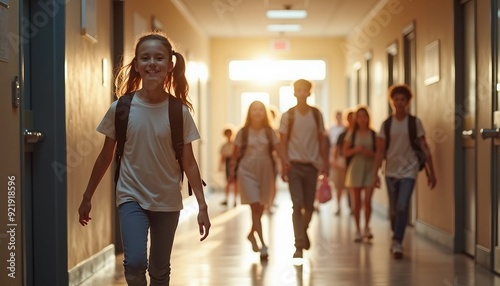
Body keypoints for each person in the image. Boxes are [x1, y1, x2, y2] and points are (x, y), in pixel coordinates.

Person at [78, 32, 211, 285]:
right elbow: (105, 155)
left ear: (170, 66)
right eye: (145, 58)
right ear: (137, 66)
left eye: (159, 58)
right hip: (131, 196)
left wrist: (202, 206)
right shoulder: (121, 108)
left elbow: (189, 162)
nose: (152, 63)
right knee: (135, 263)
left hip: (167, 199)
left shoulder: (178, 111)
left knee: (160, 270)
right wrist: (87, 196)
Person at [373, 84, 437, 259]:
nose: (399, 102)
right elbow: (379, 151)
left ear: (408, 102)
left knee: (402, 206)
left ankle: (397, 241)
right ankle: (397, 234)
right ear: (391, 101)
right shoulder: (386, 125)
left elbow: (424, 147)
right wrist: (375, 175)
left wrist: (431, 172)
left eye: (403, 99)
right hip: (391, 172)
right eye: (396, 99)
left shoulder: (414, 123)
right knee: (394, 210)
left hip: (410, 170)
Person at [229, 101, 288, 260]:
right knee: (255, 206)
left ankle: (251, 234)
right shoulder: (243, 131)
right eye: (254, 109)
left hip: (266, 170)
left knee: (260, 207)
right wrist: (232, 172)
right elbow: (234, 154)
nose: (257, 112)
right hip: (247, 170)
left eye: (260, 109)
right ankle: (263, 244)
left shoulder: (270, 132)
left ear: (265, 112)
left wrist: (285, 163)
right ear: (249, 112)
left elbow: (279, 149)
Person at [279, 79, 330, 259]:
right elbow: (282, 142)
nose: (301, 93)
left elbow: (322, 141)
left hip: (312, 166)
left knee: (309, 206)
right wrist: (283, 164)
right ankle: (298, 244)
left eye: (305, 90)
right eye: (298, 90)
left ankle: (302, 230)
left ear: (310, 93)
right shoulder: (288, 115)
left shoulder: (317, 114)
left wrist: (326, 164)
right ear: (294, 93)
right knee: (297, 204)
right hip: (294, 166)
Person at [343, 107, 376, 242]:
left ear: (368, 118)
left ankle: (366, 227)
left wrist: (369, 153)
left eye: (365, 116)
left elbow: (380, 153)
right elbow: (345, 152)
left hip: (370, 168)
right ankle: (357, 229)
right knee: (356, 202)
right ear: (356, 119)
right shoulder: (352, 134)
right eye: (360, 117)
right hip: (356, 168)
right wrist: (357, 149)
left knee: (367, 201)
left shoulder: (374, 134)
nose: (362, 119)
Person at [331, 110, 354, 215]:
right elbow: (337, 148)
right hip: (342, 163)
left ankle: (353, 207)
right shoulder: (343, 134)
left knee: (351, 187)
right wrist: (335, 161)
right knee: (340, 186)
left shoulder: (357, 133)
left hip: (353, 164)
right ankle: (338, 207)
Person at [328, 110, 346, 215]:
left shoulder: (345, 129)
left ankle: (349, 205)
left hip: (343, 157)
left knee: (345, 185)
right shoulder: (331, 129)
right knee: (338, 184)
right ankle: (338, 206)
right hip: (335, 157)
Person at [219, 127, 238, 207]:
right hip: (227, 163)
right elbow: (222, 157)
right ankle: (226, 199)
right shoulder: (224, 146)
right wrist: (220, 166)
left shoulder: (235, 144)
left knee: (236, 182)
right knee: (228, 181)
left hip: (235, 163)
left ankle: (235, 200)